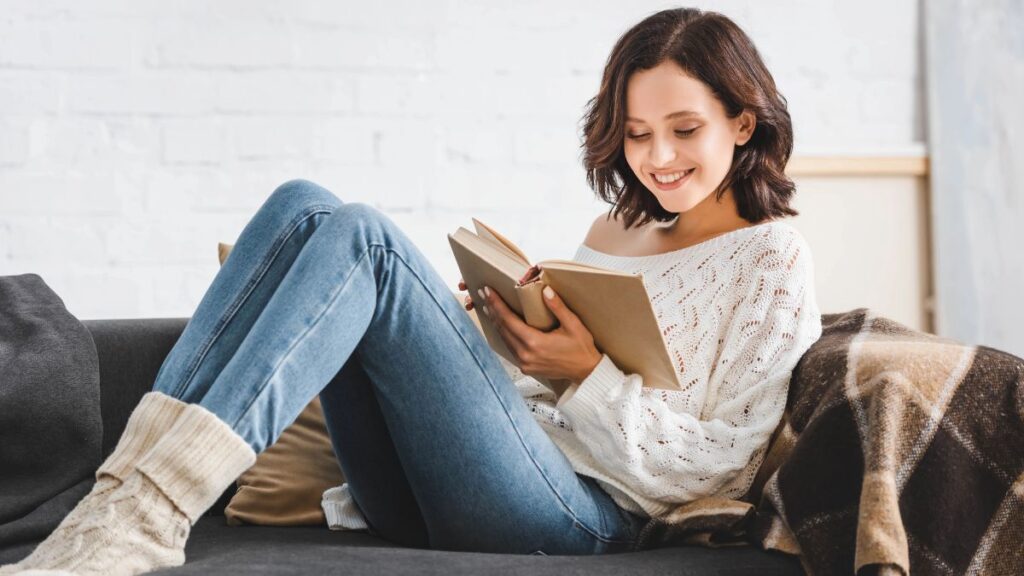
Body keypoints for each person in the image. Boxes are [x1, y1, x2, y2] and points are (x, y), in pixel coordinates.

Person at [1, 6, 822, 575]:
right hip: (464, 484)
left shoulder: (771, 259)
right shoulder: (616, 231)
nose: (658, 158)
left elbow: (724, 467)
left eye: (685, 131)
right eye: (638, 134)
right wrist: (500, 344)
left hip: (583, 517)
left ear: (742, 122)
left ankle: (146, 511)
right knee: (303, 204)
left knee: (365, 237)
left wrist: (584, 376)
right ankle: (125, 497)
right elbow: (545, 394)